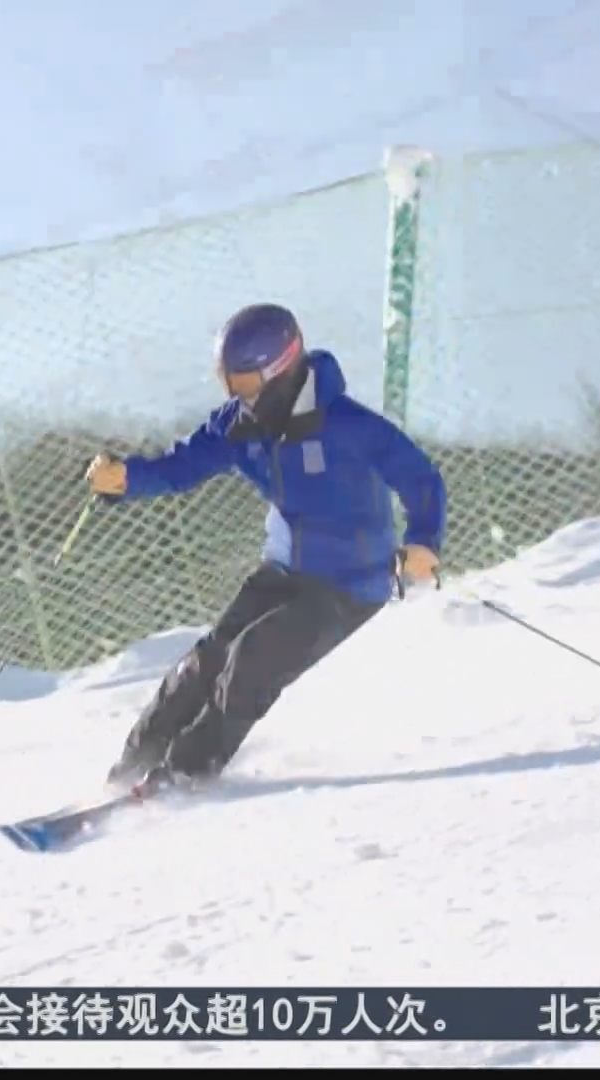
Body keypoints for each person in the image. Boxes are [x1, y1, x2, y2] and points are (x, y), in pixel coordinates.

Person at [85, 302, 447, 790]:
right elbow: (179, 466)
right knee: (205, 662)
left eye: (245, 382)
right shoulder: (238, 425)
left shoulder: (347, 425)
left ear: (280, 367)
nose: (237, 395)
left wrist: (423, 542)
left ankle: (185, 772)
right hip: (284, 570)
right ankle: (130, 768)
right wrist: (125, 479)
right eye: (228, 383)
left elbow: (421, 479)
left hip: (350, 584)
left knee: (252, 659)